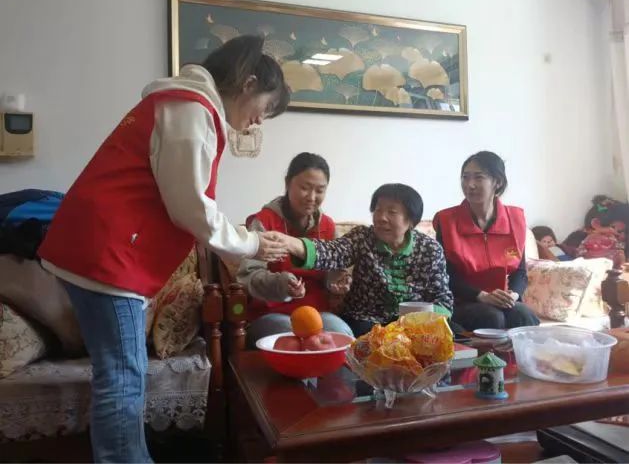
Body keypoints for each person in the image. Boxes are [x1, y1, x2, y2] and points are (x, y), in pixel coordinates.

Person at [37, 35, 290, 463]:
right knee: (123, 377)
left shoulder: (182, 104)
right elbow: (190, 207)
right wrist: (249, 242)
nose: (258, 121)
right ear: (248, 84)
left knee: (121, 374)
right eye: (265, 108)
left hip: (100, 253)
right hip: (106, 258)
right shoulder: (190, 110)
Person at [280, 183, 454, 337]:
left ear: (411, 221)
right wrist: (290, 243)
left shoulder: (430, 249)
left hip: (415, 325)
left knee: (449, 334)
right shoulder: (362, 237)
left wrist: (423, 320)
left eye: (391, 212)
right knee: (368, 338)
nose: (381, 217)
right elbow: (331, 252)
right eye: (378, 210)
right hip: (365, 321)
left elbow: (442, 299)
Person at [237, 152, 353, 345]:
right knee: (292, 340)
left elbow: (334, 270)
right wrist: (281, 284)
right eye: (304, 188)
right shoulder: (264, 222)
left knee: (342, 335)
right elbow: (248, 276)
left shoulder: (327, 226)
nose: (312, 197)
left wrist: (336, 280)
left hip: (317, 314)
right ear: (287, 183)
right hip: (271, 313)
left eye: (320, 190)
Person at [433, 151, 539, 332]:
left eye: (478, 177)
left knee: (523, 314)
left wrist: (513, 295)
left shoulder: (515, 220)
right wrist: (481, 295)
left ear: (498, 182)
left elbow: (520, 272)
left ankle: (524, 352)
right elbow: (445, 275)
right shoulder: (446, 221)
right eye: (465, 177)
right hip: (463, 300)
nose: (470, 184)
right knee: (491, 317)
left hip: (501, 299)